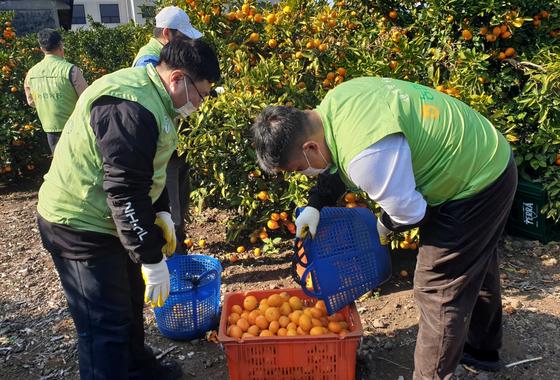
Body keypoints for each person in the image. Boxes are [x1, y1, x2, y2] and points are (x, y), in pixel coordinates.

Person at [252, 77, 517, 379]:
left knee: (437, 286)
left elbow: (410, 212)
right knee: (471, 259)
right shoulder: (335, 103)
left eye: (300, 168)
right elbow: (338, 158)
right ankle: (482, 351)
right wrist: (316, 203)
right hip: (483, 152)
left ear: (310, 146)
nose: (307, 173)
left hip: (477, 180)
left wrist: (384, 226)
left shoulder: (366, 155)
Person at [36, 37, 220, 380]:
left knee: (130, 305)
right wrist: (150, 257)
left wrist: (162, 209)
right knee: (104, 325)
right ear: (178, 78)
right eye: (201, 94)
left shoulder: (156, 98)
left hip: (111, 220)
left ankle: (137, 369)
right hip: (79, 224)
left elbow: (149, 168)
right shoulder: (130, 108)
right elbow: (123, 191)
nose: (199, 103)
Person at [133, 6, 203, 253]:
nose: (186, 44)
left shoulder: (164, 56)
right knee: (168, 202)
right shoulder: (149, 61)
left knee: (177, 198)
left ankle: (177, 244)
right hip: (160, 146)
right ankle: (172, 254)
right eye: (182, 37)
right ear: (166, 33)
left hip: (172, 140)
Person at [24, 28, 88, 153]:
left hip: (50, 128)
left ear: (41, 48)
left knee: (60, 165)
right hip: (74, 128)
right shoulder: (70, 70)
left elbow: (31, 102)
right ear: (61, 45)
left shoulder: (31, 73)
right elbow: (86, 98)